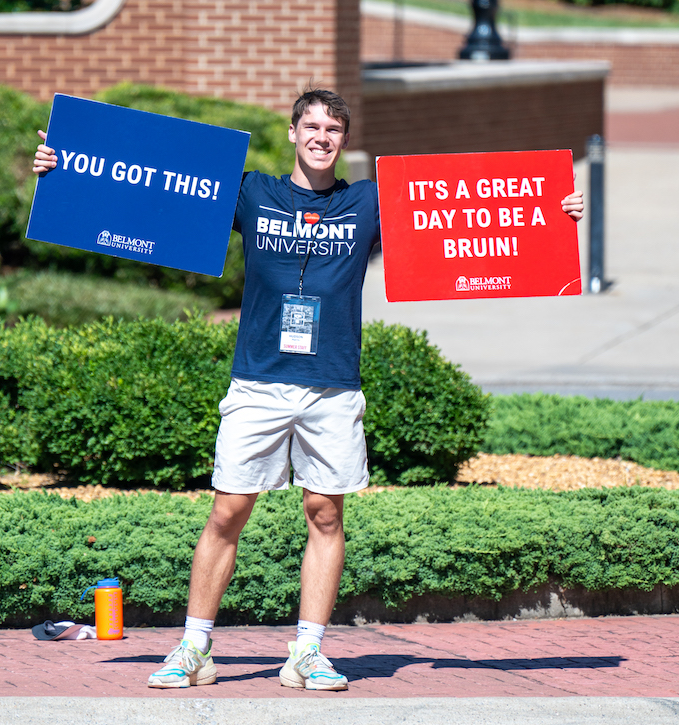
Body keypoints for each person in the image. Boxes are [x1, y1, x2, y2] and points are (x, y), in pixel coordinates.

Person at [33, 87, 584, 692]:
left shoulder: (368, 204)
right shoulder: (251, 193)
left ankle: (307, 653)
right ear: (293, 133)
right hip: (258, 382)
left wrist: (557, 210)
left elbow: (478, 207)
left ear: (344, 141)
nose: (322, 137)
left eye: (335, 129)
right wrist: (63, 169)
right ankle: (195, 646)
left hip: (332, 388)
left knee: (325, 513)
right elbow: (147, 190)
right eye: (312, 126)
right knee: (227, 511)